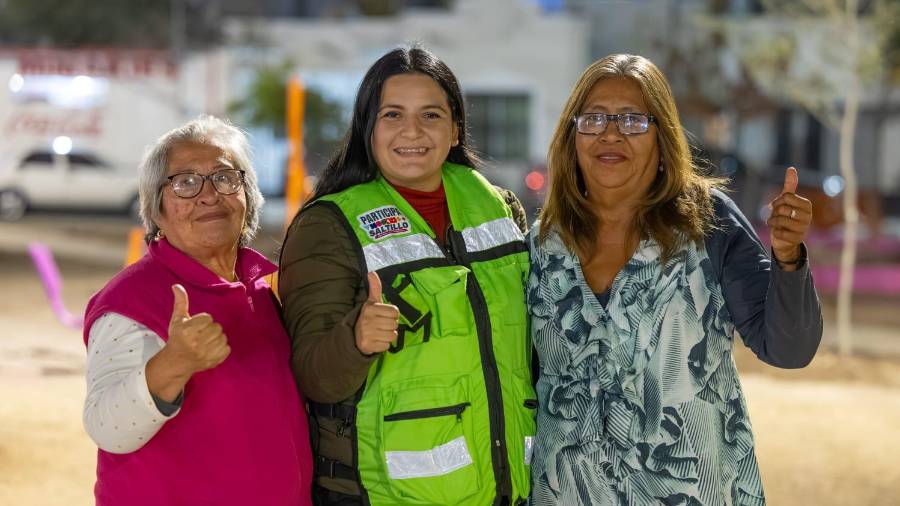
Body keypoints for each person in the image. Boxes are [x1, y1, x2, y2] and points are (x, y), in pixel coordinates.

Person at [527, 54, 823, 505]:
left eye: (631, 120)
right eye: (594, 119)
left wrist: (788, 259)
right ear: (572, 135)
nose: (611, 133)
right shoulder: (541, 244)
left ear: (662, 136)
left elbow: (788, 348)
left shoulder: (707, 222)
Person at [279, 46, 535, 506]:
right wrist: (354, 341)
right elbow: (311, 376)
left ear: (456, 129)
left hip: (508, 490)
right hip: (382, 494)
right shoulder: (328, 225)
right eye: (392, 114)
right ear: (367, 128)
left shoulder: (501, 209)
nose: (412, 131)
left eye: (431, 115)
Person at [82, 116, 313, 505]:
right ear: (157, 211)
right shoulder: (131, 300)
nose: (209, 196)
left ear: (248, 195)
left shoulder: (271, 285)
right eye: (185, 183)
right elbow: (107, 426)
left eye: (224, 178)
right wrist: (173, 363)